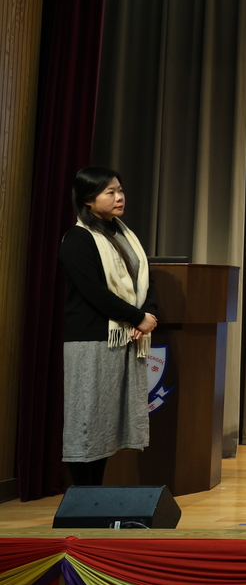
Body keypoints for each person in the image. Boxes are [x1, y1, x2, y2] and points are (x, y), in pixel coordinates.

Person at [58, 167, 160, 487]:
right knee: (87, 422)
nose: (119, 197)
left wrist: (148, 313)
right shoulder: (77, 239)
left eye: (120, 190)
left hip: (123, 337)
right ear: (88, 200)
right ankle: (83, 496)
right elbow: (95, 292)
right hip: (91, 341)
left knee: (106, 425)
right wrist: (136, 317)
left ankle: (95, 495)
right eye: (110, 192)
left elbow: (145, 280)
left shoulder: (124, 235)